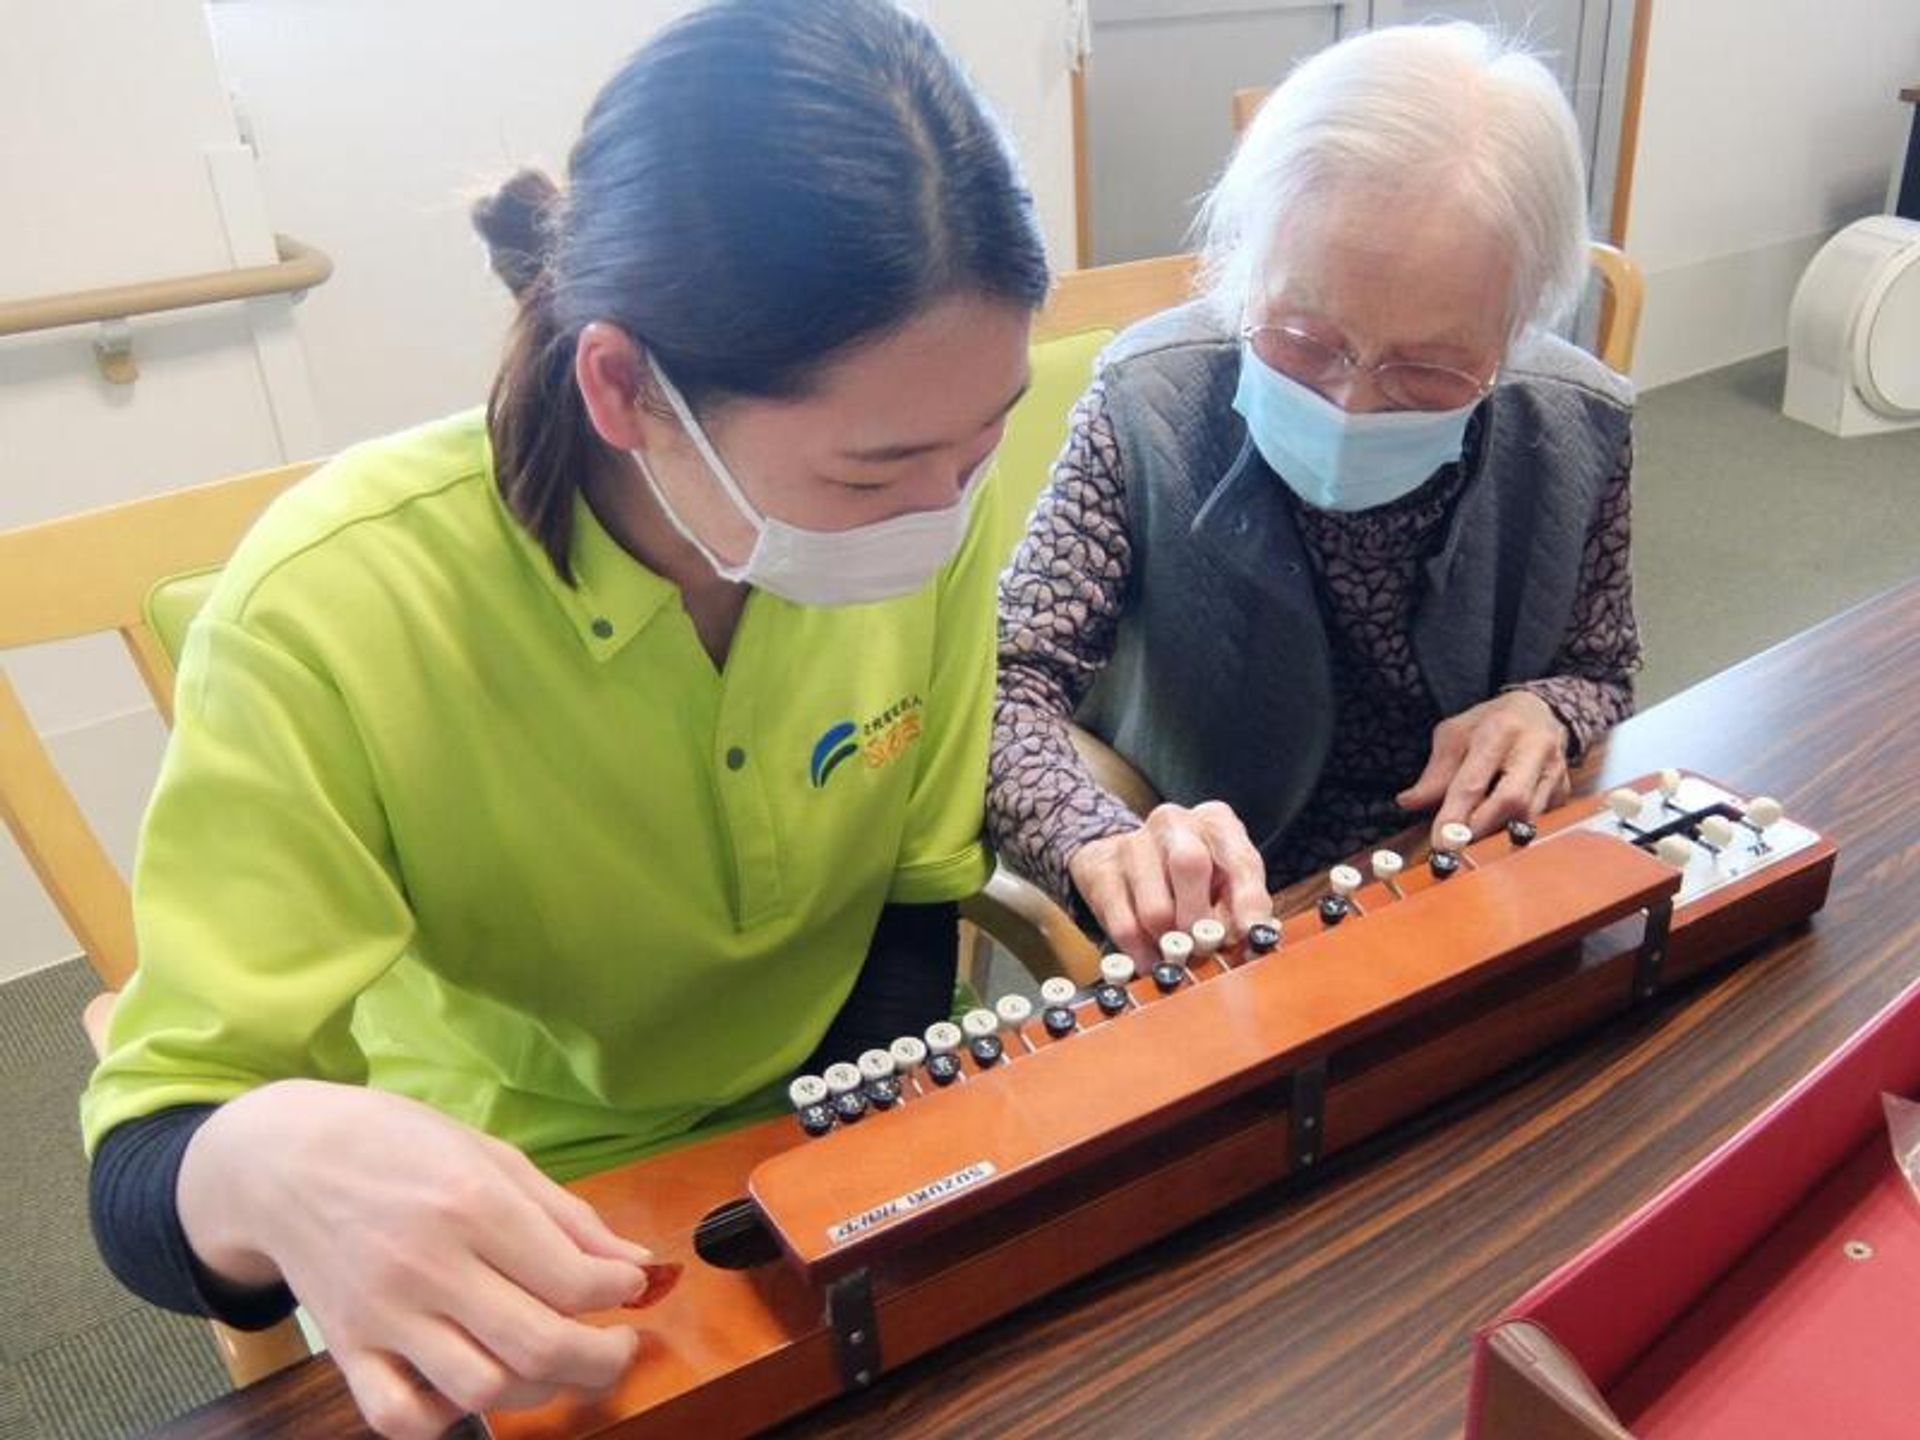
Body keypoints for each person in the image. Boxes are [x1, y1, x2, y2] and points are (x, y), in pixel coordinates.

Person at [81, 3, 1046, 1435]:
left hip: (827, 1139)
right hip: (532, 1216)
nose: (945, 516)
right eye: (874, 475)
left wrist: (830, 1161)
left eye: (986, 446)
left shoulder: (927, 507)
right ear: (626, 389)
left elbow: (914, 894)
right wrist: (265, 1159)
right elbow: (151, 1163)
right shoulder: (331, 612)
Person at [987, 23, 1640, 964]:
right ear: (1246, 269)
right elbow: (1002, 687)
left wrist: (1544, 710)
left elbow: (1601, 665)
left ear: (1513, 334)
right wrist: (1101, 837)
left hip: (1460, 885)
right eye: (1304, 338)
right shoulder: (1148, 404)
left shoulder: (1579, 426)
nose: (1353, 397)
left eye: (1428, 369)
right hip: (1221, 918)